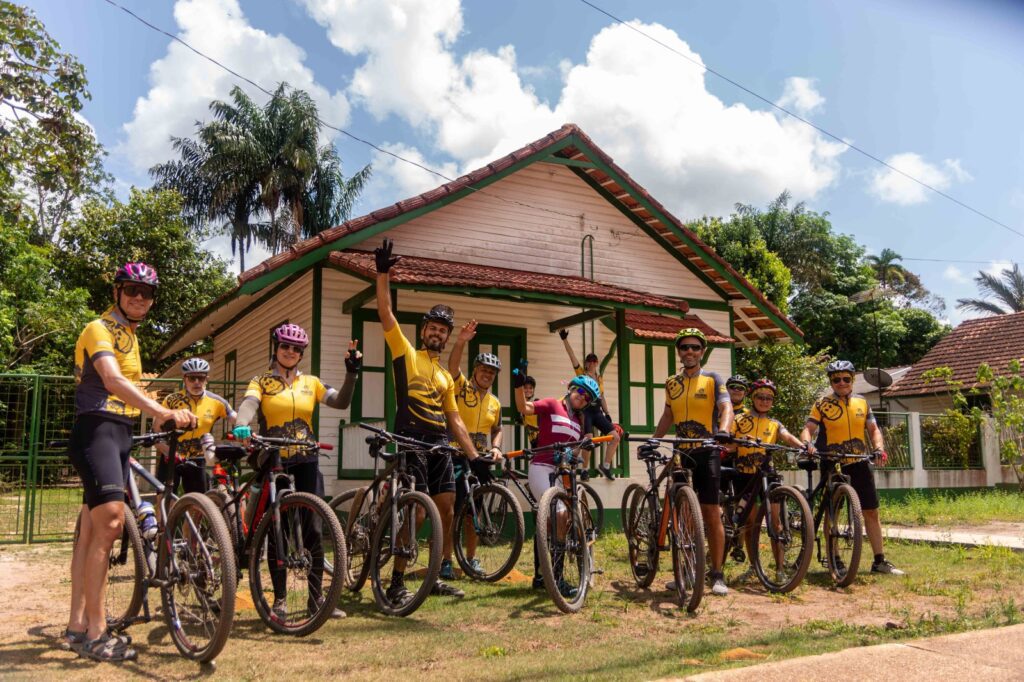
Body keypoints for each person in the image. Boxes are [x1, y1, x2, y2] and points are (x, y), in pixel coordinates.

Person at [65, 263, 197, 662]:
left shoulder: (131, 338)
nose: (139, 297)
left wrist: (156, 401)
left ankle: (76, 626)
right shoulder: (98, 328)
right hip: (97, 429)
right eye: (132, 290)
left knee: (91, 531)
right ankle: (97, 633)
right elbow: (110, 380)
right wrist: (159, 410)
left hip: (120, 432)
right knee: (109, 525)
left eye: (146, 293)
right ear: (118, 293)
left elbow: (129, 385)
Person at [373, 238, 495, 602]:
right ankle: (396, 581)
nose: (437, 333)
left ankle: (436, 574)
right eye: (433, 327)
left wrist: (474, 456)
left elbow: (456, 420)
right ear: (423, 329)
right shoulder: (405, 352)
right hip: (410, 440)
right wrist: (382, 275)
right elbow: (385, 313)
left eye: (443, 330)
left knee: (446, 509)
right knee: (418, 512)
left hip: (441, 443)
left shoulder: (445, 377)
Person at [232, 329, 362, 619]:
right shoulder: (261, 381)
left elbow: (340, 402)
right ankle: (279, 599)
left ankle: (317, 599)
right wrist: (242, 424)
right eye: (286, 346)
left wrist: (351, 373)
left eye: (296, 348)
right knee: (278, 531)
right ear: (277, 348)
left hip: (306, 458)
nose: (290, 351)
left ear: (302, 354)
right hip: (274, 458)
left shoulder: (311, 383)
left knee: (315, 529)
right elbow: (249, 405)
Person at [799, 360, 904, 576]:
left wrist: (879, 448)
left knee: (871, 510)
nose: (841, 383)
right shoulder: (821, 403)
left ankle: (879, 561)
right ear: (831, 382)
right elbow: (808, 429)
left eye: (846, 378)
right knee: (833, 510)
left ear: (852, 380)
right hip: (831, 459)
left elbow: (873, 429)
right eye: (836, 379)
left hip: (858, 460)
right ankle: (834, 557)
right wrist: (808, 443)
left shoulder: (862, 403)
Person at [652, 327, 734, 596]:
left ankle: (717, 574)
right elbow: (668, 416)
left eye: (695, 347)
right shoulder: (671, 383)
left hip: (707, 450)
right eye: (684, 347)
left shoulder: (712, 378)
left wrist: (724, 429)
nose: (689, 351)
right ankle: (686, 571)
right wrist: (654, 439)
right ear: (679, 351)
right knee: (684, 515)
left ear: (703, 352)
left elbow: (726, 407)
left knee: (711, 512)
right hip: (681, 452)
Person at [515, 369, 598, 594]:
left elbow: (574, 451)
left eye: (587, 397)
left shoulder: (577, 422)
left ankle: (542, 576)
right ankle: (558, 578)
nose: (582, 397)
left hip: (562, 473)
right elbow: (524, 408)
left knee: (558, 521)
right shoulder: (552, 404)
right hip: (542, 468)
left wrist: (582, 447)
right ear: (571, 389)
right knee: (559, 513)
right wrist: (518, 387)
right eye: (580, 391)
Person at [727, 378, 805, 583]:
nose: (764, 401)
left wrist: (802, 447)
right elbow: (729, 444)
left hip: (768, 475)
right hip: (745, 475)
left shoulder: (774, 423)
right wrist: (733, 444)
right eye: (761, 397)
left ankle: (780, 570)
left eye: (769, 398)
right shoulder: (740, 420)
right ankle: (754, 567)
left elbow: (787, 436)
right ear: (753, 398)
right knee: (752, 524)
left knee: (776, 523)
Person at [447, 320, 504, 578]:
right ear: (475, 370)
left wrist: (496, 448)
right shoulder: (461, 387)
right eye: (483, 370)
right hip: (455, 455)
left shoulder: (495, 402)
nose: (487, 375)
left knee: (473, 513)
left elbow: (498, 429)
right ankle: (446, 560)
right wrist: (460, 341)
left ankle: (471, 559)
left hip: (480, 459)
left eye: (491, 373)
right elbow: (452, 366)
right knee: (451, 511)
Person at [154, 357, 235, 520]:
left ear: (207, 379)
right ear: (184, 379)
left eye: (201, 377)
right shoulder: (171, 400)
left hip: (198, 459)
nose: (197, 382)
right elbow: (156, 433)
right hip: (171, 458)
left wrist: (244, 430)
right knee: (164, 502)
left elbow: (237, 419)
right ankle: (160, 541)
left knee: (197, 508)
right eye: (192, 378)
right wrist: (168, 452)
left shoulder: (217, 402)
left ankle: (192, 544)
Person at [557, 328, 621, 479]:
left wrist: (608, 413)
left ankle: (605, 466)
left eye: (594, 360)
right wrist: (564, 339)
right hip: (585, 410)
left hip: (597, 411)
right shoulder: (581, 374)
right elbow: (571, 356)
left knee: (615, 437)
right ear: (586, 363)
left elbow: (602, 396)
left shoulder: (599, 378)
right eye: (589, 360)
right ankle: (584, 469)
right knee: (588, 440)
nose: (592, 363)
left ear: (597, 363)